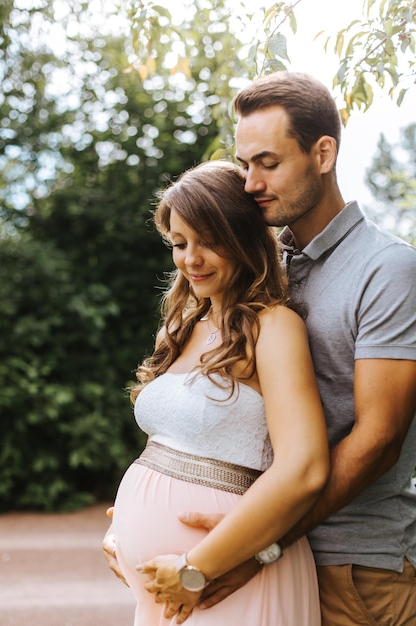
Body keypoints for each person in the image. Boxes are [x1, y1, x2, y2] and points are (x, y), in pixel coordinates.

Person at [173, 72, 416, 625]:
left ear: (323, 153)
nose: (250, 182)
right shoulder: (265, 267)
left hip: (352, 568)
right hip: (256, 553)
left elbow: (379, 438)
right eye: (244, 164)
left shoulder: (388, 269)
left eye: (269, 163)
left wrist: (264, 543)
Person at [105, 159, 330, 625]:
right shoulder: (187, 326)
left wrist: (195, 567)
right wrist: (123, 530)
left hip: (225, 577)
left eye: (209, 241)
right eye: (180, 243)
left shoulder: (275, 327)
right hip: (165, 587)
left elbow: (304, 468)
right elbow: (172, 445)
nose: (192, 259)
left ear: (244, 238)